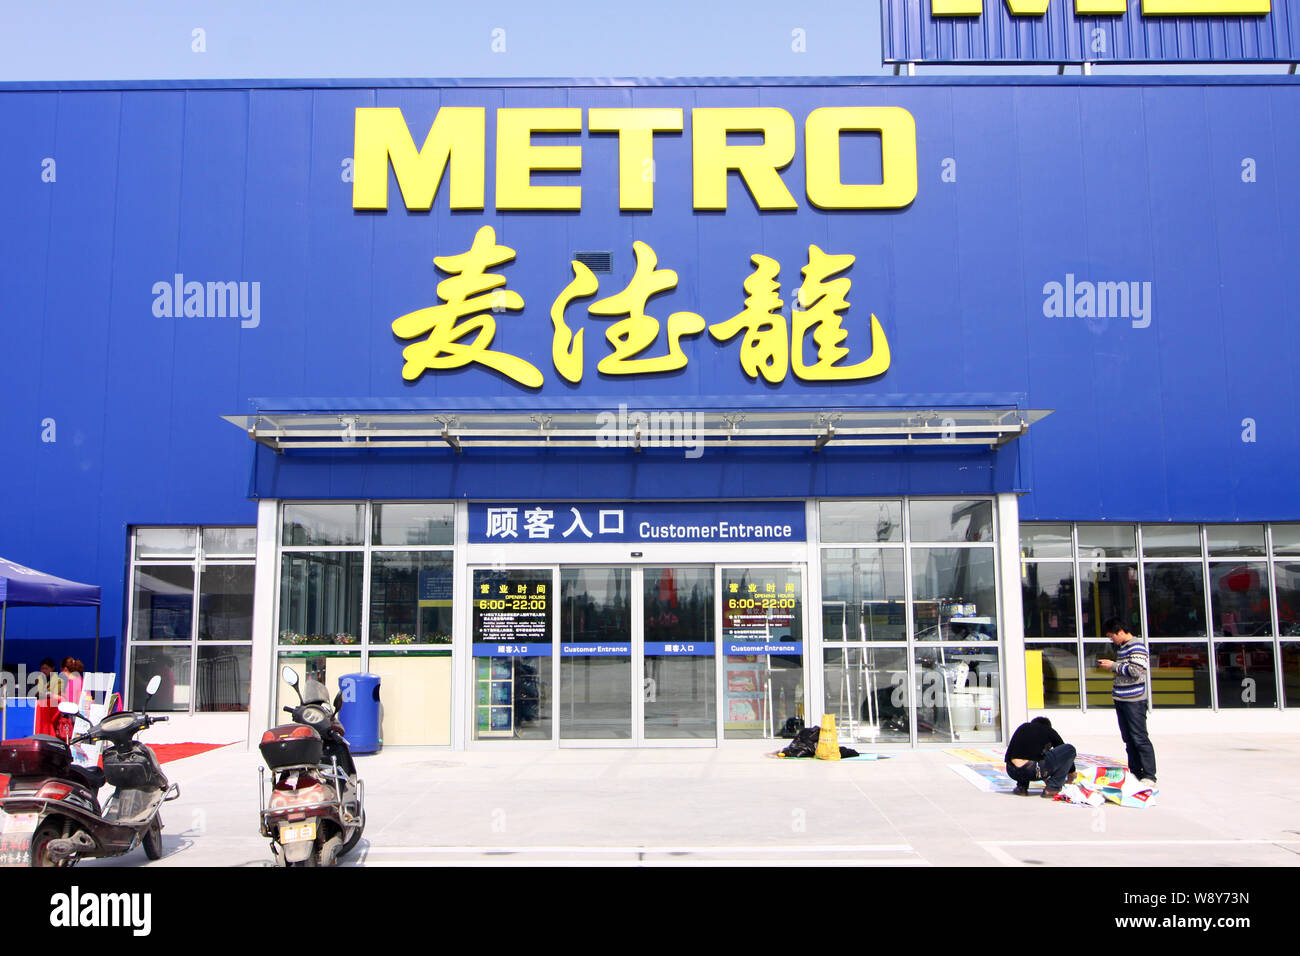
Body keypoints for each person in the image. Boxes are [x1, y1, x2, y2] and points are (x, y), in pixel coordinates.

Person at [1100, 618, 1157, 785]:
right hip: (1121, 698)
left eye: (1112, 636)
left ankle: (1149, 775)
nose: (1112, 640)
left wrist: (1113, 666)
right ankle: (1135, 772)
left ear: (1120, 632)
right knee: (1128, 739)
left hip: (1134, 700)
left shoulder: (1136, 646)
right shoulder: (1123, 647)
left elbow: (1136, 670)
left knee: (1139, 737)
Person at [1004, 716, 1076, 798]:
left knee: (1026, 755)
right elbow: (1064, 752)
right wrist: (1071, 771)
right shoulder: (1048, 730)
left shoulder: (1023, 727)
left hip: (1011, 771)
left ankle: (1021, 787)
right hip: (1032, 770)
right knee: (1069, 749)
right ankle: (1052, 788)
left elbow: (1029, 756)